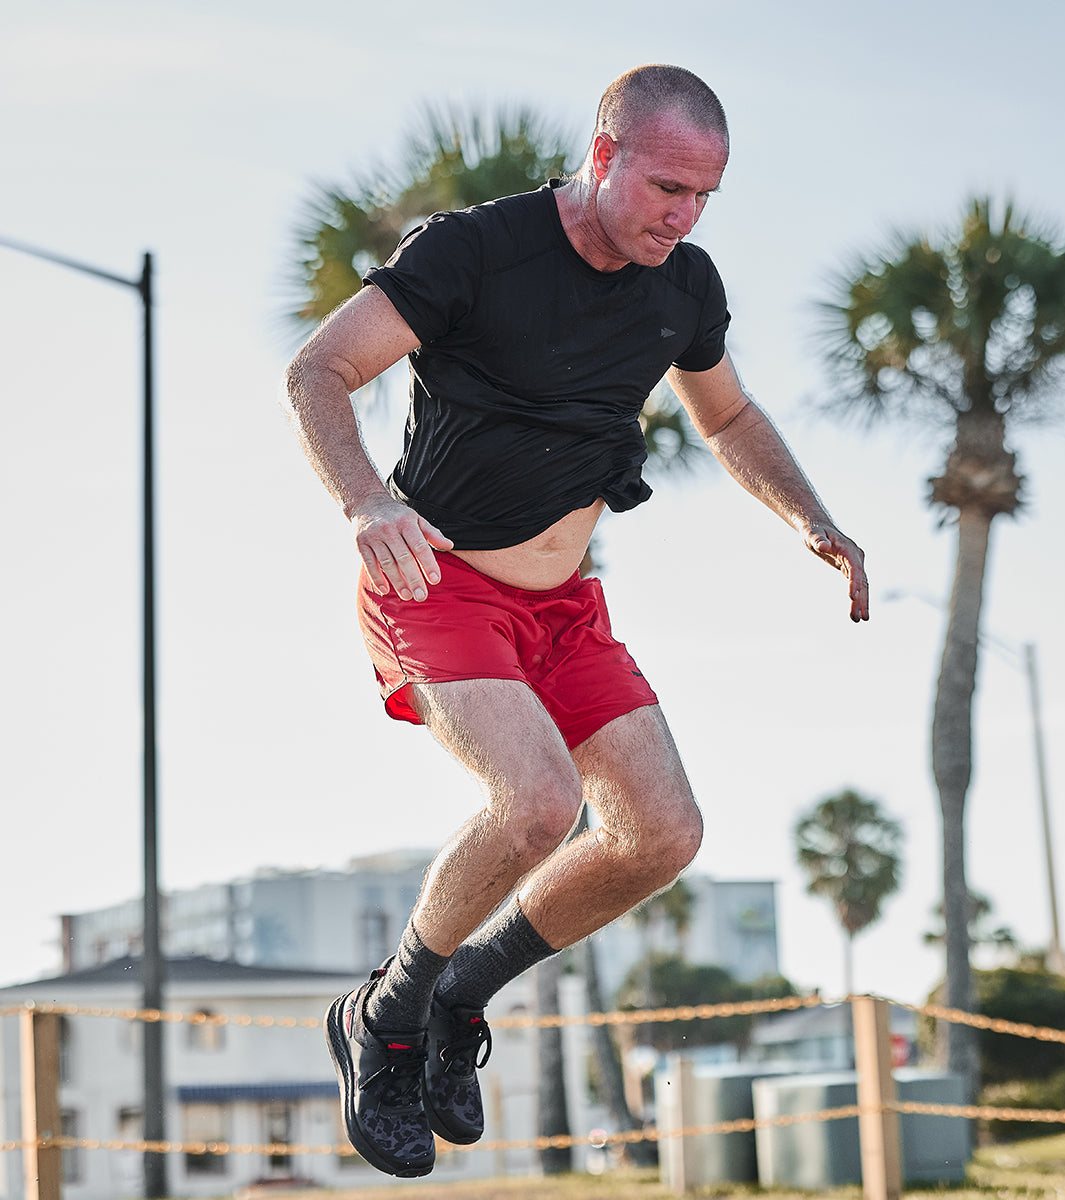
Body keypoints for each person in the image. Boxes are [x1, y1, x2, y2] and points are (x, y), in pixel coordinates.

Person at [284, 63, 868, 1179]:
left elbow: (731, 414)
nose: (682, 217)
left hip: (561, 605)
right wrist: (365, 500)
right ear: (602, 155)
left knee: (662, 834)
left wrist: (812, 518)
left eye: (705, 197)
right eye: (664, 188)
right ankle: (388, 1018)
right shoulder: (473, 251)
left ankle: (460, 993)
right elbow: (316, 372)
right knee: (539, 800)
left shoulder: (683, 286)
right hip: (437, 582)